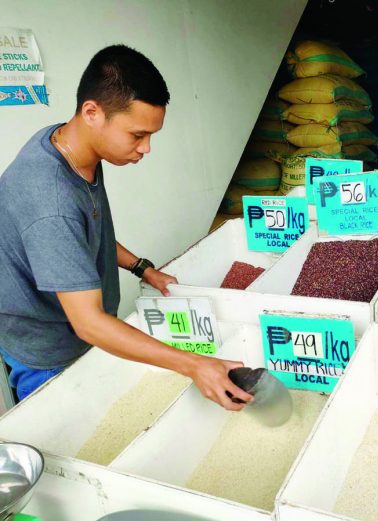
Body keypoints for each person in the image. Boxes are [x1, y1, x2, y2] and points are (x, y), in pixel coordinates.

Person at [0, 45, 252, 409]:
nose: (146, 148)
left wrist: (143, 269)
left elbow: (85, 232)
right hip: (47, 350)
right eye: (137, 135)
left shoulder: (70, 145)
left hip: (79, 329)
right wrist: (196, 365)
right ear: (92, 113)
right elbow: (88, 322)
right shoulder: (51, 201)